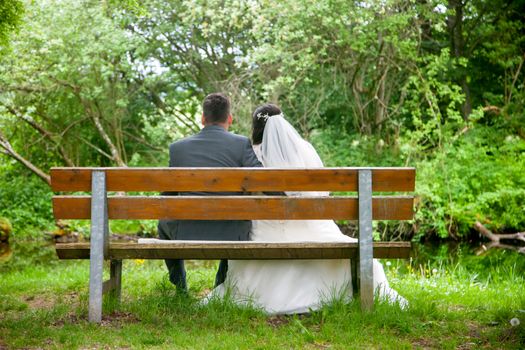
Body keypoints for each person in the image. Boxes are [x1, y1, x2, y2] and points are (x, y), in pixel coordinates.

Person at [206, 103, 407, 313]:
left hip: (265, 234)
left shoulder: (249, 154)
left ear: (255, 126)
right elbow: (322, 195)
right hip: (315, 231)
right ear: (283, 123)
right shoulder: (304, 150)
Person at [155, 93, 262, 293]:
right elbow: (262, 180)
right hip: (232, 232)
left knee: (164, 223)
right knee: (239, 217)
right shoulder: (241, 144)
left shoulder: (178, 148)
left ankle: (180, 287)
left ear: (203, 119)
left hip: (186, 230)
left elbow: (167, 194)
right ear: (229, 118)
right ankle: (220, 284)